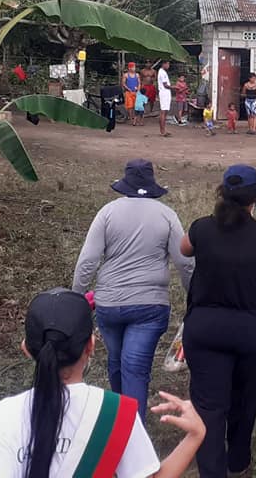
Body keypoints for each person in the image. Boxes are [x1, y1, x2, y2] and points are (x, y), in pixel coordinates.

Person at [0, 288, 205, 478]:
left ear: (26, 349)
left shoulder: (2, 415)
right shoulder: (117, 413)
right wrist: (195, 435)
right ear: (91, 345)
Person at [179, 165, 256, 477]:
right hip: (251, 333)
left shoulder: (202, 228)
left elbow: (183, 248)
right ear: (255, 198)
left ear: (222, 193)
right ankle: (238, 462)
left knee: (208, 406)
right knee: (244, 399)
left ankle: (212, 470)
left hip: (204, 330)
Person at [73, 159, 194, 417]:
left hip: (109, 305)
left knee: (117, 360)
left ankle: (121, 419)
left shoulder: (107, 212)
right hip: (150, 307)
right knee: (135, 368)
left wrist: (76, 297)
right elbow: (185, 263)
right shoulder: (167, 215)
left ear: (125, 184)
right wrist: (193, 297)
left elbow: (88, 261)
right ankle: (131, 428)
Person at [156, 60, 173, 137]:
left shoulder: (163, 72)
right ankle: (162, 131)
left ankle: (163, 130)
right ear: (164, 64)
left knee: (165, 112)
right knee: (163, 111)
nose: (168, 65)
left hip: (166, 93)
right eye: (168, 63)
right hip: (164, 92)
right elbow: (165, 85)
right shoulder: (162, 72)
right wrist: (174, 87)